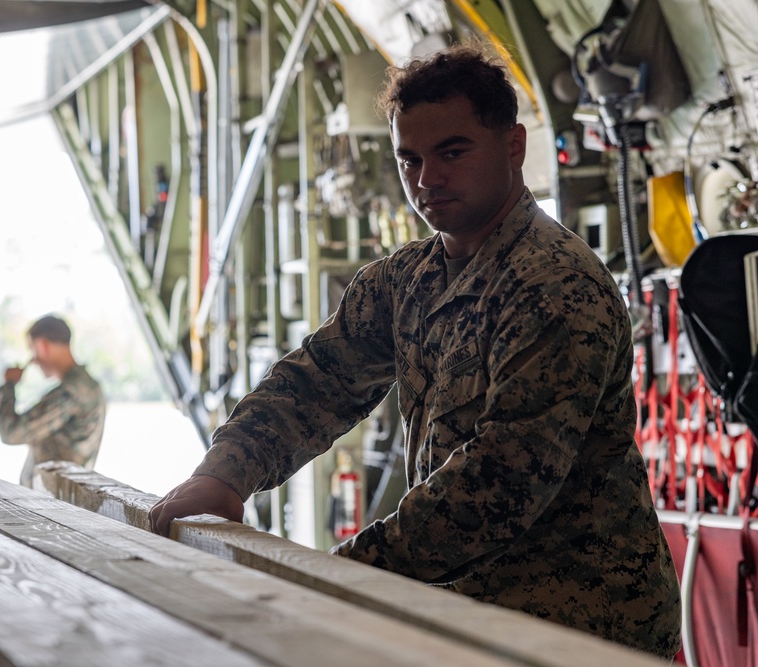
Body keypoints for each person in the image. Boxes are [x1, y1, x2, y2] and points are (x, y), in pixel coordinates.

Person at [148, 43, 681, 658]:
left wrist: (336, 575)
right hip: (467, 616)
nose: (427, 179)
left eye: (452, 152)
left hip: (585, 631)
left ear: (513, 146)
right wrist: (224, 474)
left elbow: (500, 484)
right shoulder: (406, 279)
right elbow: (319, 381)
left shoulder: (554, 284)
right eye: (410, 159)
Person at [0, 314, 106, 488]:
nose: (34, 359)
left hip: (53, 505)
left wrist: (9, 386)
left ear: (42, 345)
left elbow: (12, 433)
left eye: (32, 349)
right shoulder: (85, 386)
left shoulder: (71, 391)